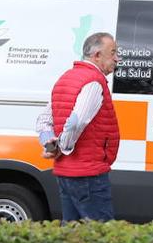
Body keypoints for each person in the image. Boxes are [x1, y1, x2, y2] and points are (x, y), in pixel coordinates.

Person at [37, 32, 121, 222]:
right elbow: (77, 121)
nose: (117, 58)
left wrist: (50, 143)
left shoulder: (66, 78)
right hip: (88, 174)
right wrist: (63, 147)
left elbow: (43, 120)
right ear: (97, 55)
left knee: (72, 237)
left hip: (65, 173)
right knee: (100, 234)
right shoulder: (94, 82)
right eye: (113, 52)